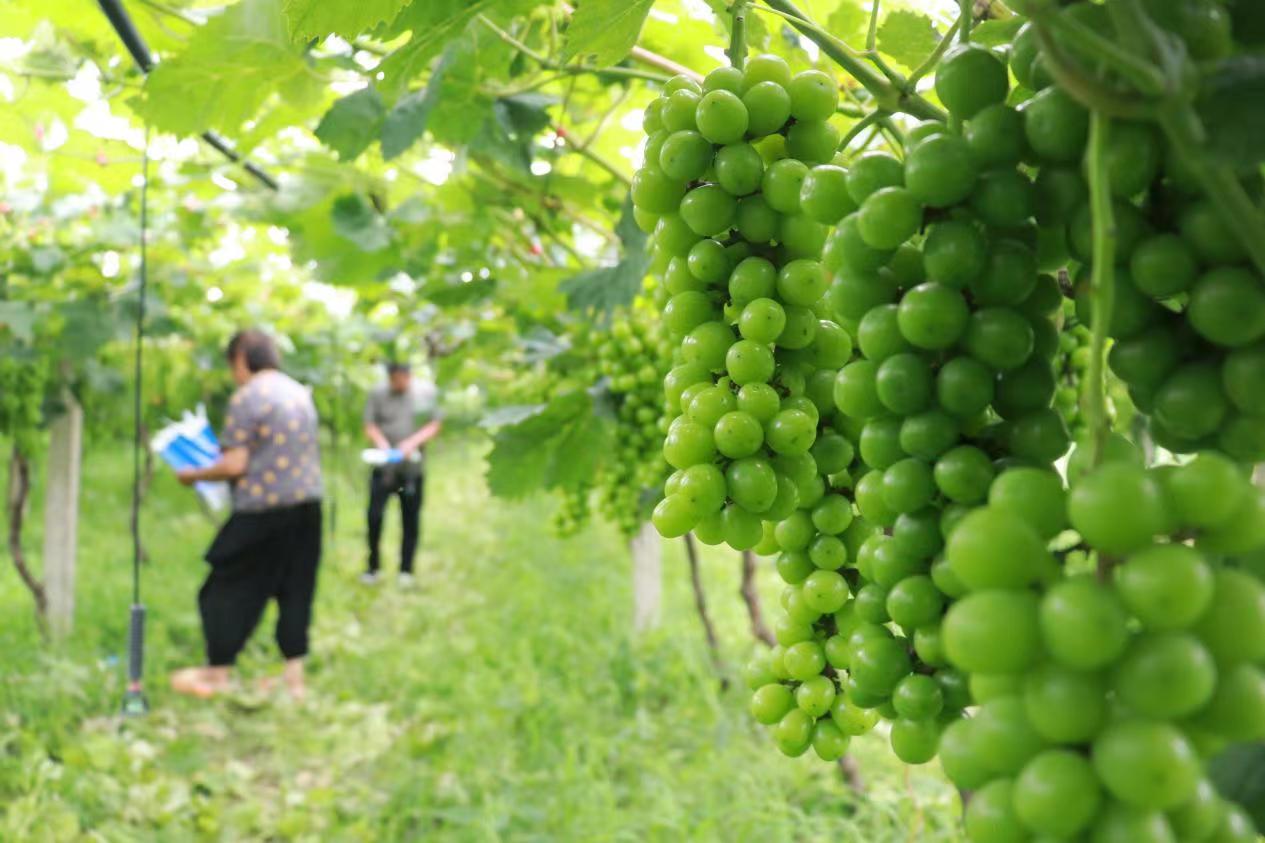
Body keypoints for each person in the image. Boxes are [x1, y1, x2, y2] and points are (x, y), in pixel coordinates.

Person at [170, 329, 323, 701]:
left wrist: (194, 474)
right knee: (295, 588)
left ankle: (218, 671)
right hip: (307, 505)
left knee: (223, 586)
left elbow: (236, 464)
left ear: (241, 357)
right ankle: (294, 680)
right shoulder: (299, 392)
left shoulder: (248, 397)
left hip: (263, 510)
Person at [362, 361, 442, 586]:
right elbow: (369, 424)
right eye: (394, 379)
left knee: (410, 520)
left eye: (402, 379)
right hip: (384, 468)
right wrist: (382, 444)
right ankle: (373, 567)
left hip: (411, 470)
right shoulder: (378, 393)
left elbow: (434, 424)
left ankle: (406, 570)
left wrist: (412, 443)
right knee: (374, 517)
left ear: (409, 376)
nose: (398, 383)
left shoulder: (425, 393)